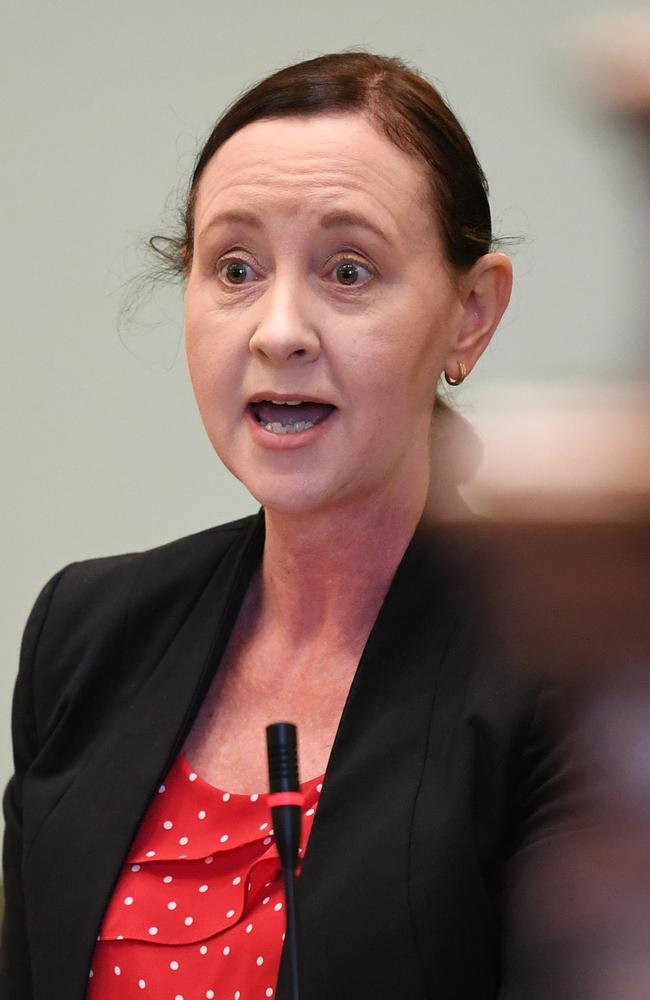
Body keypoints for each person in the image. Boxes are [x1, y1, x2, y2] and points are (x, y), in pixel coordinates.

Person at [0, 51, 566, 1000]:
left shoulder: (561, 671)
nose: (279, 331)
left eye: (349, 271)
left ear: (471, 314)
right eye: (235, 269)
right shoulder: (89, 633)